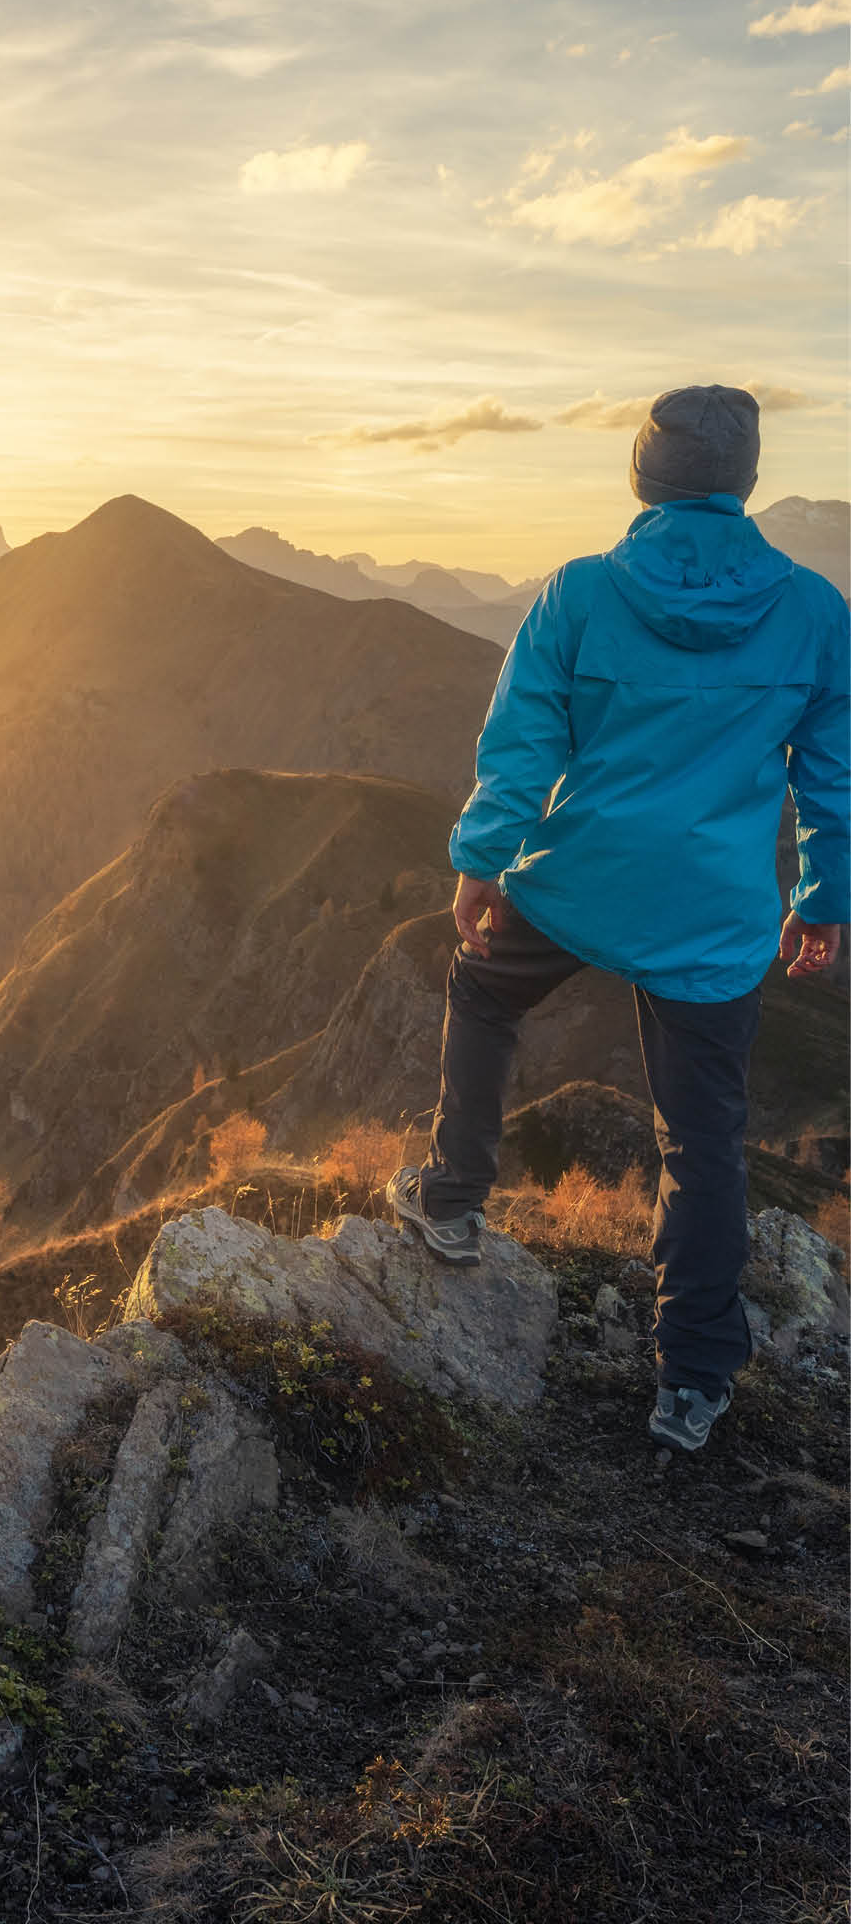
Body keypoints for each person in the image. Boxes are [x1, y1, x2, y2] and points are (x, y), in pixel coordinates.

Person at [386, 384, 849, 1452]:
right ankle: (689, 1382)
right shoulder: (815, 611)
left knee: (480, 989)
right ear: (742, 481)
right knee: (702, 1139)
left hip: (572, 879)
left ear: (642, 476)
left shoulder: (578, 594)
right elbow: (830, 782)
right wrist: (821, 899)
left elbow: (520, 747)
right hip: (713, 914)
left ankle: (450, 1201)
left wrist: (482, 861)